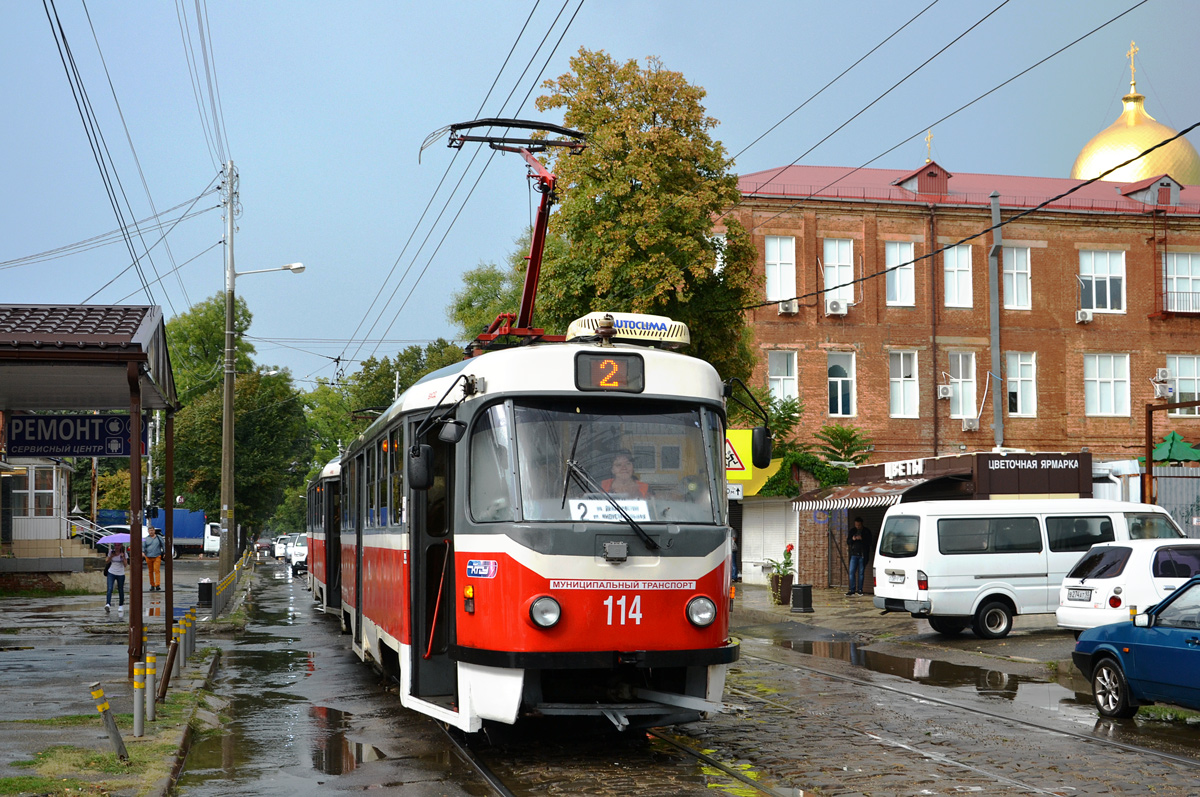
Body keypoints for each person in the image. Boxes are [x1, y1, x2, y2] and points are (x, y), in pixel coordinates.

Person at [847, 517, 870, 596]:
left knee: (861, 573)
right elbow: (848, 541)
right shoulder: (852, 531)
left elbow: (869, 542)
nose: (857, 527)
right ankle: (852, 589)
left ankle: (860, 589)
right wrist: (853, 539)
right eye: (856, 525)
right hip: (854, 554)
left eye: (859, 525)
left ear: (862, 524)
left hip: (862, 554)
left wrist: (862, 539)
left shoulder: (866, 531)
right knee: (851, 572)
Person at [105, 543, 127, 615]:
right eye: (115, 545)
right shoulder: (111, 552)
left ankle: (121, 605)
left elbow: (125, 565)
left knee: (120, 589)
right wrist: (111, 556)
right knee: (110, 588)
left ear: (121, 546)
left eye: (118, 545)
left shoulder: (124, 553)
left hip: (120, 573)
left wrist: (123, 557)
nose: (116, 547)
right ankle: (108, 604)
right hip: (111, 572)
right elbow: (107, 561)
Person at [142, 525, 165, 591]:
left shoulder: (159, 537)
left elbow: (163, 545)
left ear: (154, 531)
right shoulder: (146, 539)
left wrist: (164, 552)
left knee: (157, 570)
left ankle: (157, 584)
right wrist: (143, 552)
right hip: (148, 556)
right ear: (148, 531)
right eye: (150, 531)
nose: (151, 532)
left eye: (152, 530)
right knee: (150, 571)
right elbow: (143, 546)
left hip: (157, 556)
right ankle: (152, 584)